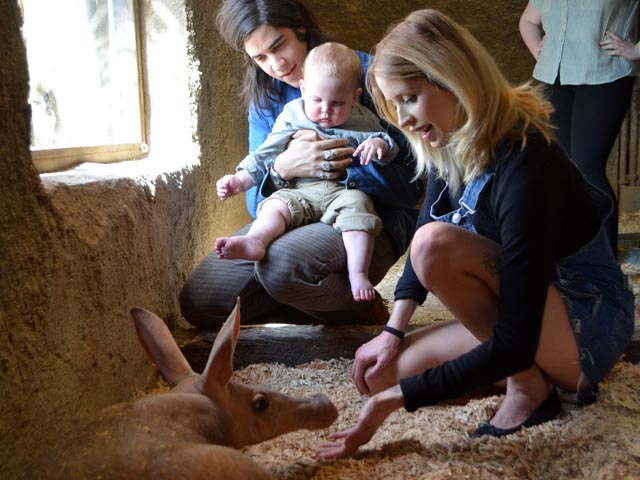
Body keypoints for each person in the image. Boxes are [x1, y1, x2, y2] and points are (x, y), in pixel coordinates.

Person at [316, 9, 635, 459]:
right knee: (379, 376)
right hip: (526, 311)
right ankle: (526, 377)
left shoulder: (527, 162)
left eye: (409, 98)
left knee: (433, 255)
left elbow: (511, 335)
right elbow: (429, 220)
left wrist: (396, 404)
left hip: (585, 320)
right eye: (394, 104)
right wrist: (392, 330)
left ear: (451, 78)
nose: (404, 120)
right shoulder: (449, 140)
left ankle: (528, 389)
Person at [179, 0, 422, 327]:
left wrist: (341, 161)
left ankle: (357, 306)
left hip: (362, 215)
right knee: (201, 302)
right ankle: (326, 304)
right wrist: (283, 168)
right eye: (260, 57)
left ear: (301, 29)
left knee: (281, 265)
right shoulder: (266, 97)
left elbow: (413, 187)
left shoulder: (374, 77)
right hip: (296, 209)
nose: (276, 65)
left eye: (279, 46)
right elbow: (255, 202)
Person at [215, 42, 398, 302]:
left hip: (342, 192)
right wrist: (239, 180)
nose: (325, 110)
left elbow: (389, 145)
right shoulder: (292, 115)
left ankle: (358, 272)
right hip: (298, 190)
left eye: (337, 103)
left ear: (355, 97)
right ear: (303, 89)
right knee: (273, 207)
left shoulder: (363, 117)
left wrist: (379, 145)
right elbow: (265, 154)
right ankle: (255, 240)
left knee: (359, 210)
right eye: (316, 100)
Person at [519, 0, 640, 257]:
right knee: (563, 169)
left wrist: (636, 50)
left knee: (587, 168)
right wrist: (541, 54)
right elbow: (528, 21)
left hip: (605, 76)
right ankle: (572, 260)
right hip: (554, 79)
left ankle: (605, 266)